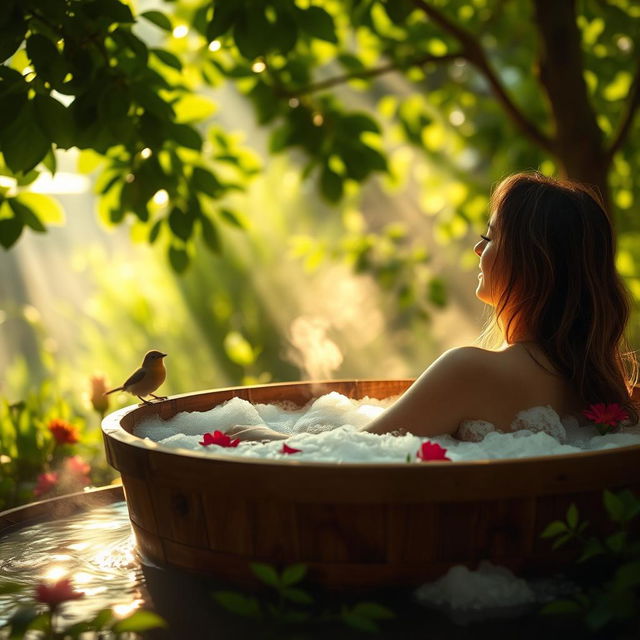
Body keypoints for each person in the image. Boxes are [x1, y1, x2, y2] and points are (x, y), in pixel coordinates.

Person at [230, 172, 638, 441]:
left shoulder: (471, 371)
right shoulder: (598, 386)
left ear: (530, 261)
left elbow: (351, 456)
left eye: (490, 237)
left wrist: (257, 438)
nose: (478, 248)